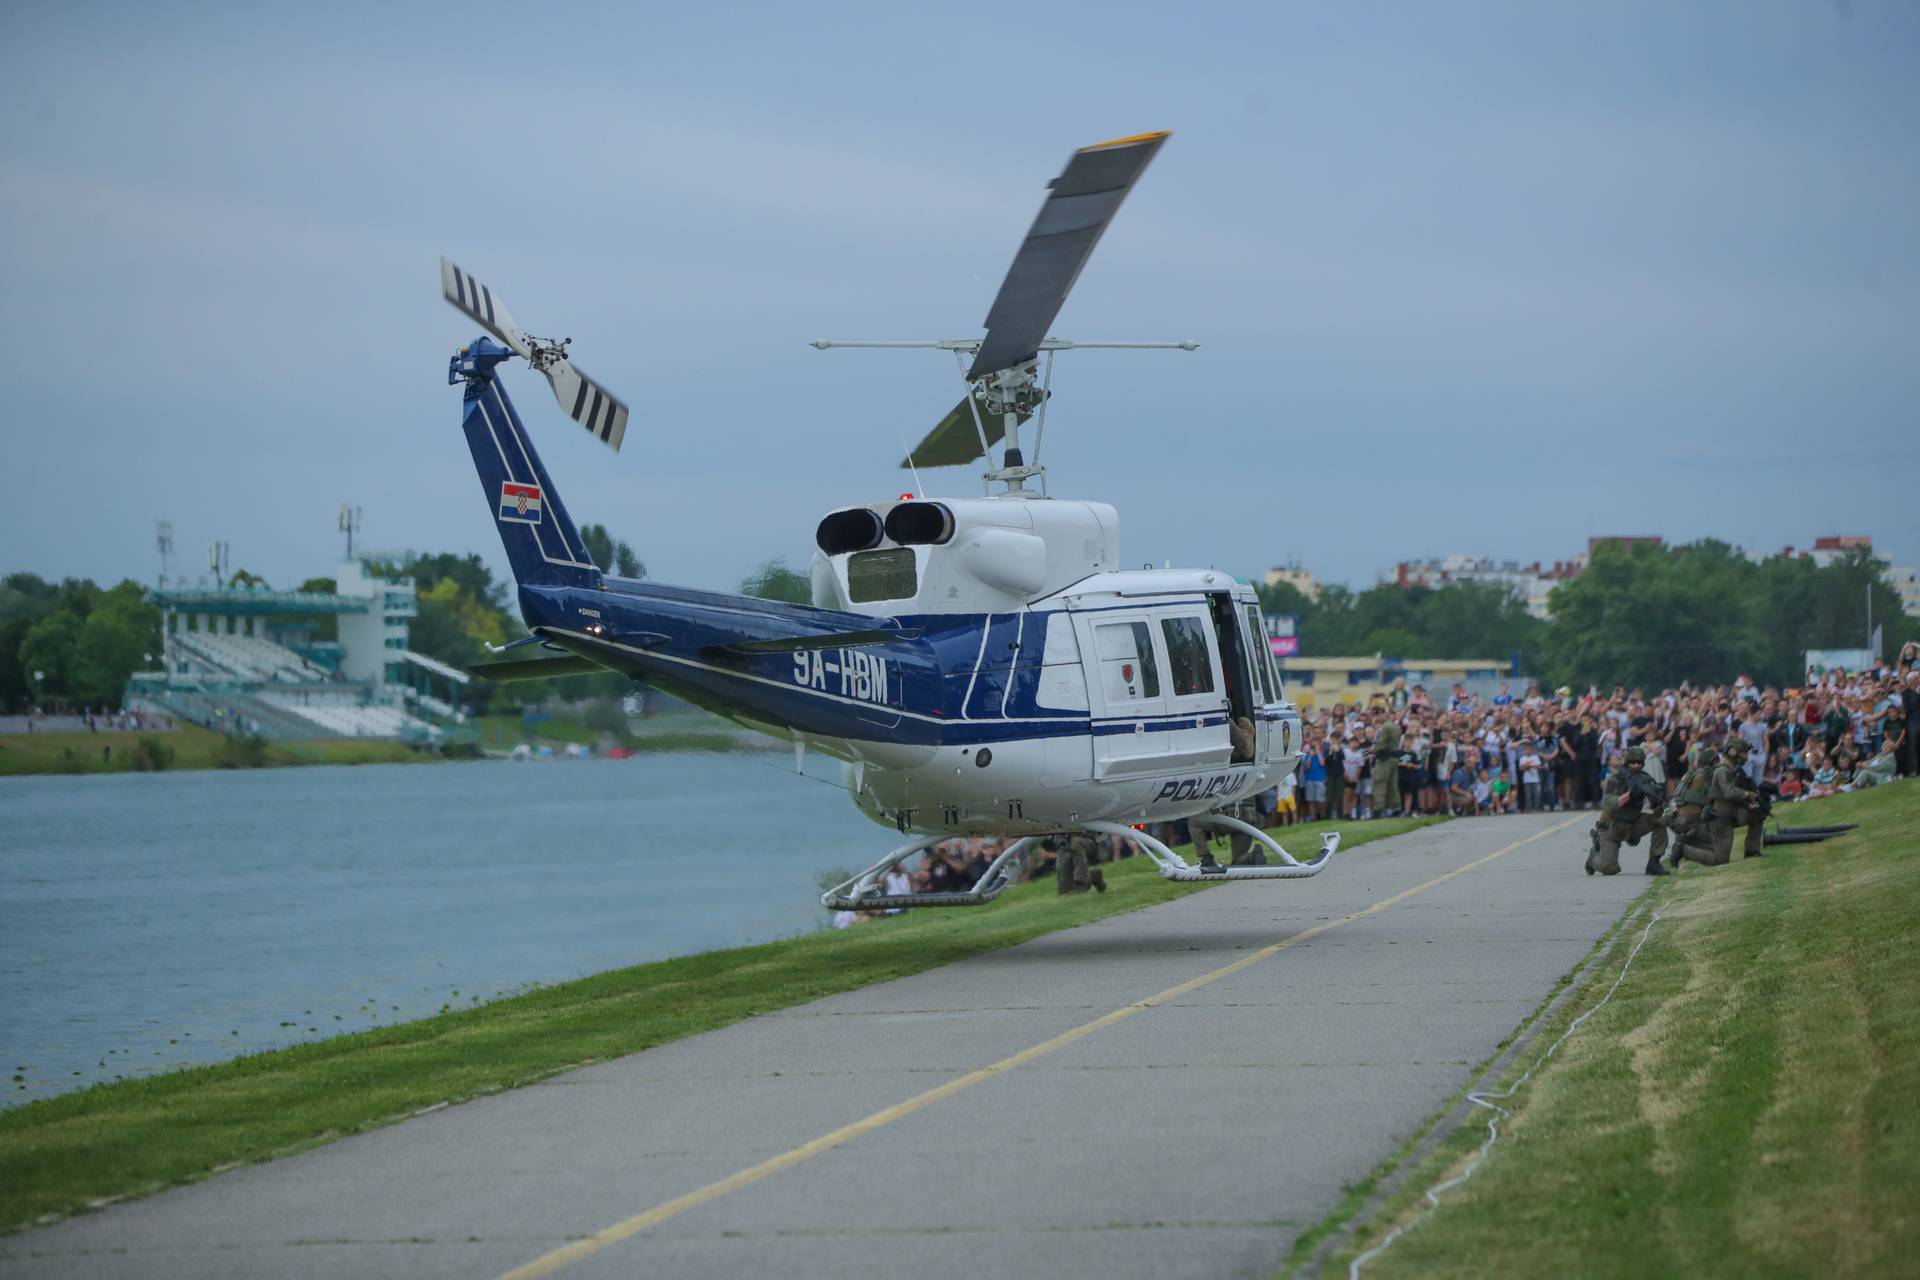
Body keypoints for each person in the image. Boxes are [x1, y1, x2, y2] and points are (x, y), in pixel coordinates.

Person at [1679, 738, 1766, 866]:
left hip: (1730, 815)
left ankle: (1752, 851)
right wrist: (1747, 794)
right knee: (1720, 860)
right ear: (1733, 752)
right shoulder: (1722, 770)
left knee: (1758, 815)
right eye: (1744, 753)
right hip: (1720, 820)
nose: (1746, 757)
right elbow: (1729, 792)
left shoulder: (1730, 770)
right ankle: (1683, 850)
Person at [1585, 745, 1669, 876]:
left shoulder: (1646, 779)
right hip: (1612, 827)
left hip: (1634, 823)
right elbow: (1608, 802)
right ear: (1626, 762)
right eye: (1632, 762)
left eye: (1639, 762)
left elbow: (1658, 811)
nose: (1636, 765)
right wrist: (1629, 795)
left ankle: (1654, 862)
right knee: (1610, 868)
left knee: (1661, 822)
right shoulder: (1615, 778)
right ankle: (1592, 859)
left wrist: (1657, 803)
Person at [1371, 714, 1403, 818]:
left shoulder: (1385, 727)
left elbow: (1381, 743)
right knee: (1393, 785)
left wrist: (1373, 749)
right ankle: (1396, 808)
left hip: (1384, 759)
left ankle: (1378, 809)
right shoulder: (1396, 727)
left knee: (1379, 783)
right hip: (1394, 758)